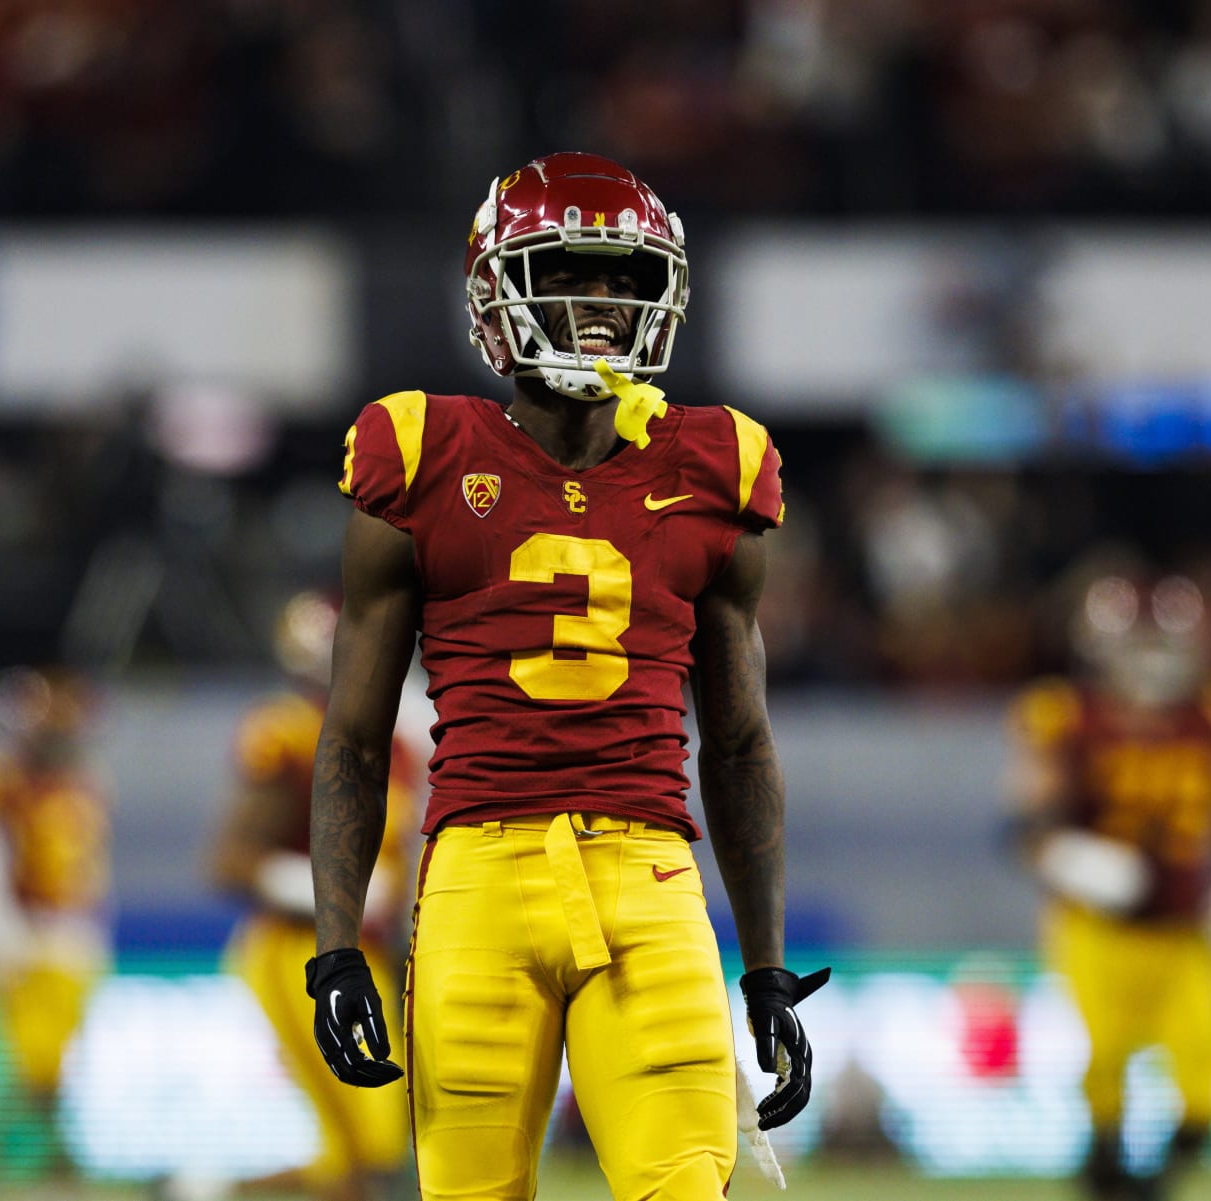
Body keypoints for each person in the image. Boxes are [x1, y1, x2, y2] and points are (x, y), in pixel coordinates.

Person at [304, 152, 828, 1201]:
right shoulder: (421, 451)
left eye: (628, 279)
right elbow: (355, 738)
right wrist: (333, 943)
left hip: (650, 878)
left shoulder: (715, 464)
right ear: (499, 290)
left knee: (684, 1187)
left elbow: (738, 741)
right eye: (577, 274)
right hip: (475, 880)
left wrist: (766, 960)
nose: (605, 304)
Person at [1006, 573, 1211, 1201]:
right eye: (1137, 650)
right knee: (1100, 1066)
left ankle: (1155, 1180)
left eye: (1162, 651)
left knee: (1206, 1089)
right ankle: (1105, 1173)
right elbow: (1021, 825)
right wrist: (1068, 856)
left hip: (1186, 930)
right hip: (1098, 929)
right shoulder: (1064, 716)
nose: (1150, 669)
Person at [194, 591, 420, 1201]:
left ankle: (202, 1191)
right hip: (303, 948)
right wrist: (337, 892)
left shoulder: (398, 743)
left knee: (360, 1157)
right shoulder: (290, 733)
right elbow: (230, 863)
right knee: (373, 1145)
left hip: (365, 950)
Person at [0, 666, 111, 1193]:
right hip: (23, 936)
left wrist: (93, 928)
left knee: (53, 1066)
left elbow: (90, 869)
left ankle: (56, 1157)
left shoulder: (85, 784)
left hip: (70, 935)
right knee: (38, 1062)